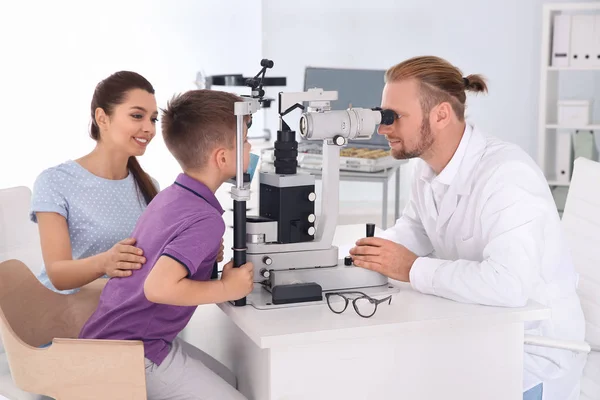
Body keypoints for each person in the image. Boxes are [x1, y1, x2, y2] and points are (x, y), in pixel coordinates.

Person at [349, 56, 586, 400]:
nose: (382, 129)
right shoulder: (427, 169)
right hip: (479, 332)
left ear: (441, 114)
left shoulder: (506, 174)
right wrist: (356, 258)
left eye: (394, 117)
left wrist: (412, 268)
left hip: (532, 355)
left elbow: (508, 286)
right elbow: (413, 232)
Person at [79, 89, 254, 400]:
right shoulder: (205, 218)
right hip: (132, 353)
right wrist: (229, 288)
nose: (250, 147)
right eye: (243, 142)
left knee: (228, 379)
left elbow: (161, 253)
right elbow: (157, 288)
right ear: (222, 157)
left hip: (114, 337)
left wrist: (202, 256)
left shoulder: (173, 196)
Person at [29, 71, 163, 294]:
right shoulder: (55, 182)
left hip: (126, 311)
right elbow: (58, 274)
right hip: (63, 315)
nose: (149, 128)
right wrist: (105, 262)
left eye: (153, 119)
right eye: (137, 116)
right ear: (102, 118)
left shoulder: (150, 186)